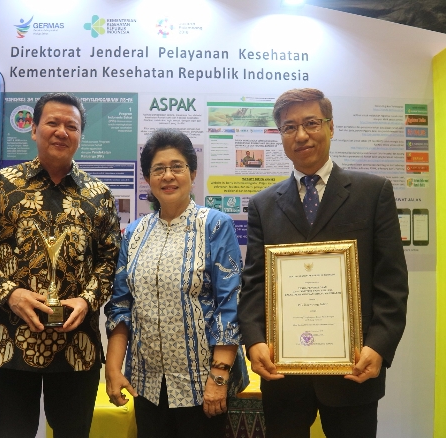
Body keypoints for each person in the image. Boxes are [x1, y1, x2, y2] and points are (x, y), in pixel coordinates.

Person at [238, 88, 409, 438]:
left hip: (353, 372)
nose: (301, 135)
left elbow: (391, 282)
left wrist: (378, 345)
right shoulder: (263, 205)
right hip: (283, 375)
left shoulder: (373, 192)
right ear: (281, 136)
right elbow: (254, 284)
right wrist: (253, 341)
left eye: (311, 123)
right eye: (289, 127)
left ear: (331, 127)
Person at [0, 92, 121, 438]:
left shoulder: (100, 195)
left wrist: (87, 300)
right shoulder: (1, 185)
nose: (62, 131)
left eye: (71, 126)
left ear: (80, 135)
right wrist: (10, 293)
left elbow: (110, 263)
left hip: (77, 346)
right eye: (52, 123)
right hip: (6, 343)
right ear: (33, 129)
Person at [105, 128, 248, 438]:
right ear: (148, 178)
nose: (168, 175)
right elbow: (121, 305)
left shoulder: (214, 225)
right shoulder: (134, 233)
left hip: (202, 384)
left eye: (177, 167)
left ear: (192, 173)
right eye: (158, 169)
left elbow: (230, 304)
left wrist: (219, 377)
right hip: (146, 383)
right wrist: (113, 369)